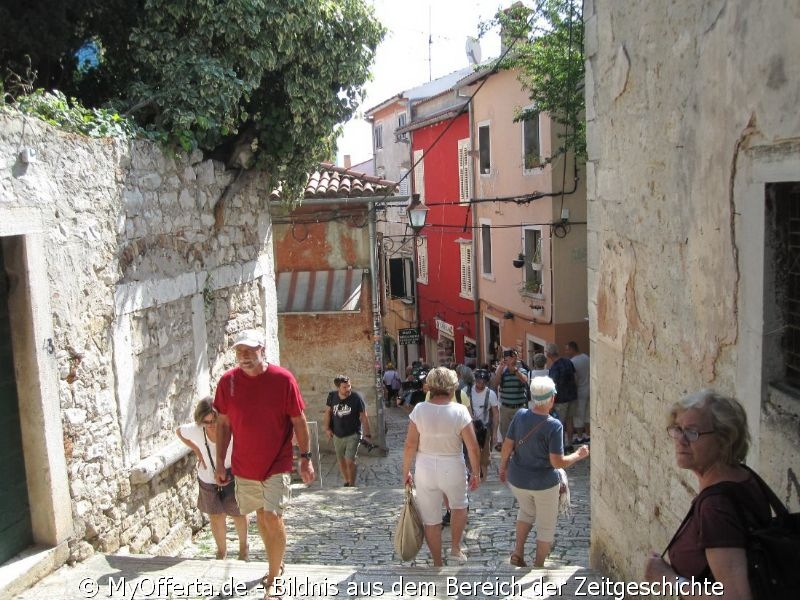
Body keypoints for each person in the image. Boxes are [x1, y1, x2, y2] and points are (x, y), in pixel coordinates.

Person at [213, 329, 315, 599]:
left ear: (263, 350)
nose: (244, 356)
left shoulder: (283, 380)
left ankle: (273, 578)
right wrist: (220, 463)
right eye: (239, 352)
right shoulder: (228, 383)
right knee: (260, 516)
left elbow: (299, 421)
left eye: (249, 351)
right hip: (244, 465)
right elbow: (223, 424)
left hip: (277, 462)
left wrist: (305, 458)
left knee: (272, 516)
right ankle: (276, 562)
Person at [644, 389, 771, 598]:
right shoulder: (743, 475)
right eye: (678, 429)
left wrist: (667, 580)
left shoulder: (716, 507)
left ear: (724, 439)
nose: (680, 440)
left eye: (692, 433)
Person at [499, 376, 589, 568]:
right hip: (543, 484)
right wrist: (578, 455)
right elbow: (557, 462)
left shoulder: (520, 415)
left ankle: (518, 552)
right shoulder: (553, 425)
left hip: (517, 479)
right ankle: (538, 567)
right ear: (552, 399)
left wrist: (502, 468)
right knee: (546, 525)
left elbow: (507, 446)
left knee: (526, 512)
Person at [402, 367, 481, 566]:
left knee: (431, 518)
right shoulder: (460, 411)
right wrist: (476, 472)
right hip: (452, 464)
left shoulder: (419, 409)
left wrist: (406, 471)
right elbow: (472, 446)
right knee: (459, 506)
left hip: (425, 466)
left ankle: (437, 561)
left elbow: (410, 444)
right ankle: (455, 548)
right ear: (452, 387)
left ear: (430, 386)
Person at [175, 398, 249, 560]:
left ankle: (243, 549)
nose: (210, 424)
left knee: (238, 513)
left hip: (233, 475)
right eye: (206, 421)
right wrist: (197, 450)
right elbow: (179, 431)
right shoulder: (196, 429)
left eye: (214, 420)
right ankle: (221, 551)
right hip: (208, 477)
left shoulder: (231, 425)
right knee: (215, 515)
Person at [323, 374, 372, 487]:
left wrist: (367, 435)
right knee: (341, 460)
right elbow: (328, 413)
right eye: (345, 387)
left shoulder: (356, 398)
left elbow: (364, 416)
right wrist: (327, 428)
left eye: (349, 386)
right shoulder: (332, 396)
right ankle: (347, 481)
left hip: (353, 434)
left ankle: (352, 485)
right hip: (337, 434)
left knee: (349, 460)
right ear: (338, 388)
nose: (348, 389)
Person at [493, 348, 529, 450]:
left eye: (511, 358)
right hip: (506, 408)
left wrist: (515, 370)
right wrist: (500, 369)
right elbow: (495, 384)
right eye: (507, 358)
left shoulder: (522, 370)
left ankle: (520, 453)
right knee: (506, 433)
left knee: (521, 433)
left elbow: (524, 381)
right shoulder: (503, 372)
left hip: (520, 408)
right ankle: (507, 454)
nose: (509, 360)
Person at [545, 343, 578, 451]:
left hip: (561, 400)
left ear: (549, 354)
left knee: (559, 423)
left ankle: (561, 446)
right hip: (572, 396)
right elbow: (575, 377)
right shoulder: (568, 361)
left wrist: (551, 402)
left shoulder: (554, 367)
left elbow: (554, 386)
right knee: (570, 421)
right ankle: (570, 444)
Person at [469, 368, 500, 480]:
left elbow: (496, 414)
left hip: (485, 427)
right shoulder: (467, 391)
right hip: (470, 427)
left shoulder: (490, 394)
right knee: (470, 451)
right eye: (478, 381)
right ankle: (473, 475)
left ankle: (483, 478)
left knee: (485, 455)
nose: (480, 384)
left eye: (483, 382)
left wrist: (495, 433)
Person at [564, 341, 590, 444]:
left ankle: (579, 437)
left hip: (580, 391)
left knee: (579, 415)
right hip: (589, 388)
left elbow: (574, 379)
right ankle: (588, 434)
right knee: (588, 414)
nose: (566, 352)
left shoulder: (572, 362)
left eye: (567, 349)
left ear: (572, 349)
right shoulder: (586, 357)